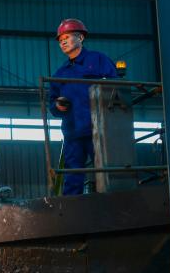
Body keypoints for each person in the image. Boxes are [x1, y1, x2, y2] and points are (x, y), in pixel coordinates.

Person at [47, 19, 118, 195]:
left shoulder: (98, 60)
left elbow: (116, 88)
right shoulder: (60, 74)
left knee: (107, 172)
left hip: (99, 129)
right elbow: (52, 104)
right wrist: (58, 105)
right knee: (73, 174)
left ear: (80, 37)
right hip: (73, 132)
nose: (63, 42)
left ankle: (113, 201)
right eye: (60, 40)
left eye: (67, 37)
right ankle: (71, 206)